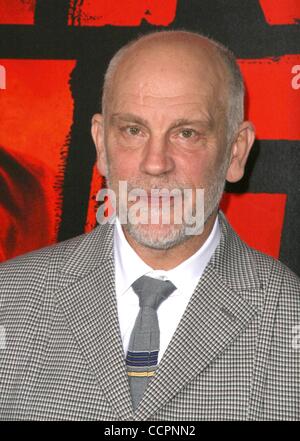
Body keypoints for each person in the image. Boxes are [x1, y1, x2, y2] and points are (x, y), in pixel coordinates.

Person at [0, 30, 299, 421]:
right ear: (101, 146)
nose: (155, 163)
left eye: (186, 133)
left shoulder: (288, 316)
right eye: (133, 130)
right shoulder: (9, 302)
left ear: (235, 152)